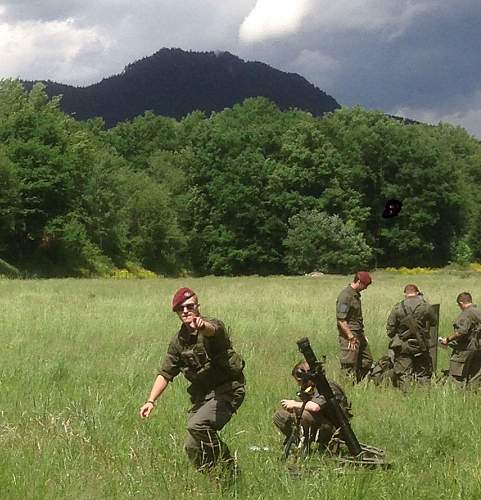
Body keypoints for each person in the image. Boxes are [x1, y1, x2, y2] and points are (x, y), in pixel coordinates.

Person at [139, 287, 245, 473]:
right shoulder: (178, 341)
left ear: (197, 307)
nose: (186, 311)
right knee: (192, 447)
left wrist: (201, 326)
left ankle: (230, 470)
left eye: (190, 306)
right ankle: (219, 481)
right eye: (181, 309)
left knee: (197, 425)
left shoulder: (212, 326)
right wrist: (151, 401)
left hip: (228, 390)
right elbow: (165, 373)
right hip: (204, 397)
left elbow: (213, 330)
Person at [273, 360, 352, 451]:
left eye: (300, 381)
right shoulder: (310, 388)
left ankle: (313, 446)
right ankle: (300, 444)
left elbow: (315, 407)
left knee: (304, 415)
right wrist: (294, 408)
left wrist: (294, 404)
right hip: (319, 423)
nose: (299, 384)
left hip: (334, 429)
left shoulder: (327, 386)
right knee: (279, 416)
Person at [386, 284, 437, 389]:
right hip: (421, 344)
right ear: (417, 292)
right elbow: (434, 322)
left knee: (404, 374)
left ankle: (407, 397)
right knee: (423, 374)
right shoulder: (426, 306)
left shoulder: (398, 307)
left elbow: (390, 330)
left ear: (405, 293)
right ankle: (424, 397)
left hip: (403, 345)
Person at [336, 271, 373, 382]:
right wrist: (350, 336)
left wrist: (362, 335)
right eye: (365, 285)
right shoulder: (345, 296)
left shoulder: (355, 295)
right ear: (358, 281)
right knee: (349, 365)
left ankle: (354, 383)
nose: (365, 288)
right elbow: (341, 320)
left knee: (367, 360)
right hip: (349, 336)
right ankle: (346, 387)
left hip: (358, 334)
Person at [440, 292, 481, 387]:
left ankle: (458, 396)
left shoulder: (466, 313)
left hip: (465, 348)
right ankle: (471, 396)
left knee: (457, 375)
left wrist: (447, 340)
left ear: (461, 303)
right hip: (478, 348)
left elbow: (461, 332)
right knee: (475, 375)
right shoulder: (479, 312)